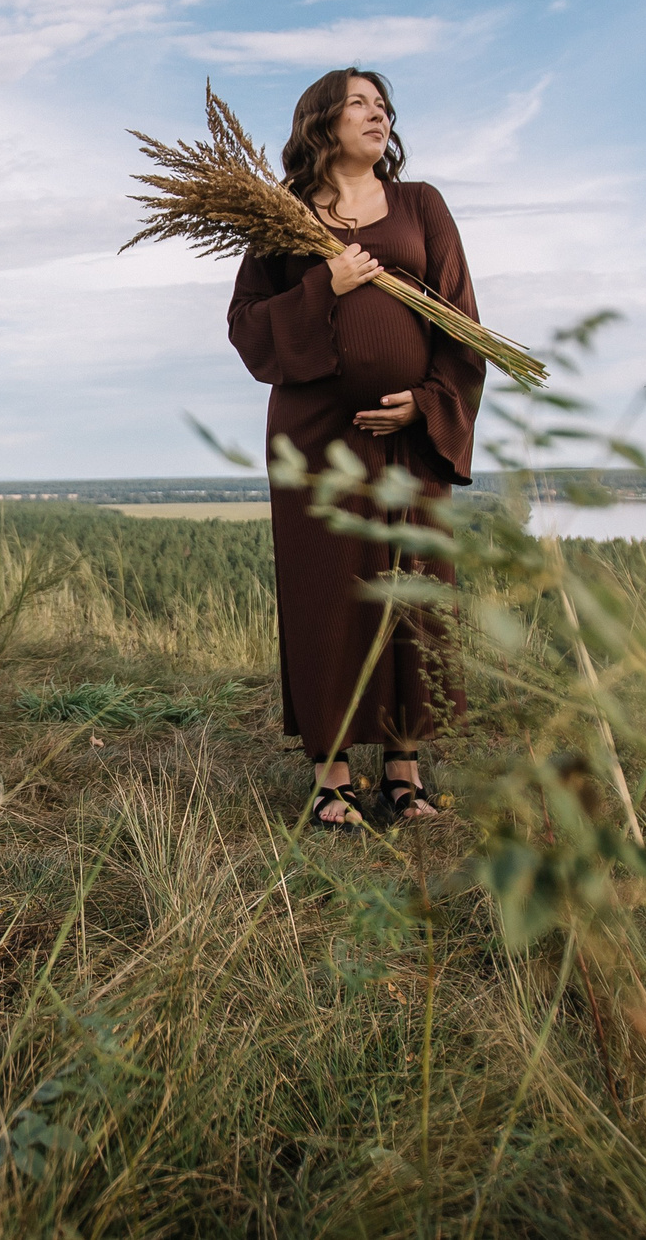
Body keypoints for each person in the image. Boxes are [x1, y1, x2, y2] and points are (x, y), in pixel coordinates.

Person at [227, 68, 484, 830]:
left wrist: (429, 402)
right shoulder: (280, 217)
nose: (378, 115)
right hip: (315, 439)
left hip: (410, 437)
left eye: (383, 105)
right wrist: (324, 286)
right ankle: (331, 778)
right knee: (325, 591)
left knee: (414, 589)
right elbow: (247, 325)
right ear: (321, 122)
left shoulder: (420, 205)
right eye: (359, 104)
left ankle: (404, 774)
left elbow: (462, 318)